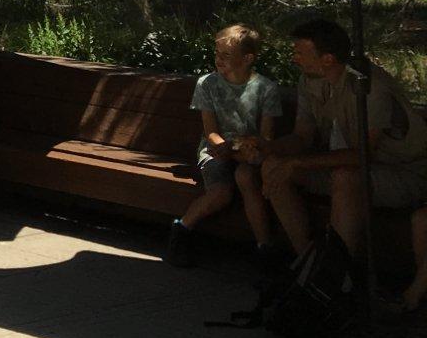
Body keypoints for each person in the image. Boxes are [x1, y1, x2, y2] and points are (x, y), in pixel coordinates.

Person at [257, 17, 427, 264]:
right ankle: (307, 263)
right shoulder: (308, 82)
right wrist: (268, 147)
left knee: (345, 177)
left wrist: (297, 163)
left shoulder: (369, 87)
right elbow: (302, 137)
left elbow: (362, 155)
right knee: (273, 167)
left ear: (327, 58)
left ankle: (339, 273)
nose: (294, 59)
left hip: (404, 174)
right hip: (348, 170)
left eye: (300, 53)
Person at [164, 23, 283, 268]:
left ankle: (265, 248)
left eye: (226, 55)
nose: (219, 60)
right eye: (216, 54)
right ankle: (182, 229)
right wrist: (224, 147)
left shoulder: (266, 89)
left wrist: (247, 149)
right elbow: (211, 132)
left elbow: (266, 136)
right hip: (217, 149)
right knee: (221, 192)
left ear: (248, 58)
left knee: (246, 178)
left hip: (249, 152)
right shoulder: (207, 84)